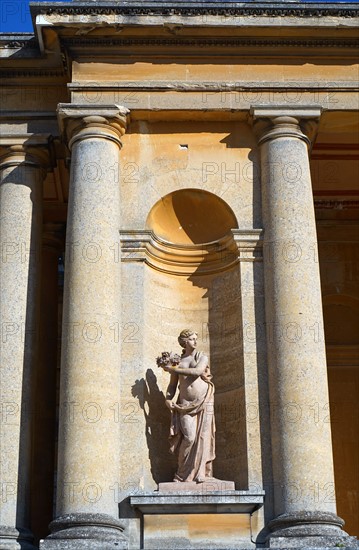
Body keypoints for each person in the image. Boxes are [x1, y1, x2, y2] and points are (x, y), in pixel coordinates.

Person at [160, 329, 215, 483]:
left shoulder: (202, 357)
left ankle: (201, 472)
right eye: (191, 339)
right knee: (189, 437)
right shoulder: (178, 362)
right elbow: (172, 385)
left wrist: (174, 369)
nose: (195, 341)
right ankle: (182, 474)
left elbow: (198, 371)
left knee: (203, 437)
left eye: (195, 338)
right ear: (184, 341)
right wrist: (168, 398)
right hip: (184, 404)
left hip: (205, 400)